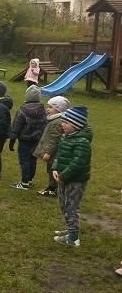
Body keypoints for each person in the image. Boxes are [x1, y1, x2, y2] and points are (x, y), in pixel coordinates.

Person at [52, 106, 92, 247]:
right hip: (63, 178)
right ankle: (69, 229)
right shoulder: (66, 137)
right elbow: (60, 155)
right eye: (63, 121)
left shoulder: (82, 142)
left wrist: (63, 177)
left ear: (77, 125)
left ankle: (73, 238)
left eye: (67, 122)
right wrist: (55, 168)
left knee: (71, 207)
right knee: (63, 204)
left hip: (75, 181)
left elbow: (78, 163)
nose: (62, 124)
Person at [8, 85, 47, 190]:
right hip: (37, 140)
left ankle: (24, 182)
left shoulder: (22, 111)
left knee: (24, 160)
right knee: (32, 160)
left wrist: (12, 141)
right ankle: (30, 179)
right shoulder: (44, 110)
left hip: (25, 140)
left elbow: (16, 126)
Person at [32, 96, 70, 196]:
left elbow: (55, 139)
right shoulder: (54, 119)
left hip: (54, 153)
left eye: (50, 107)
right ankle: (55, 187)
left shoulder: (57, 122)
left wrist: (48, 152)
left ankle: (52, 188)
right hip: (53, 152)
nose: (48, 109)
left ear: (59, 109)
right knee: (51, 169)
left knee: (52, 170)